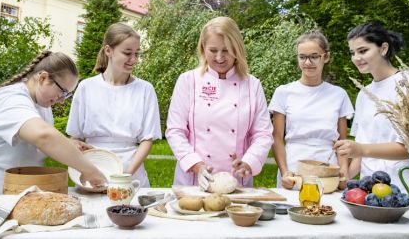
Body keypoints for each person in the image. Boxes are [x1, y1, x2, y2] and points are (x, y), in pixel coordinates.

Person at [0, 51, 107, 212]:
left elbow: (36, 141)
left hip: (11, 195)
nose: (62, 100)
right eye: (62, 91)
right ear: (42, 78)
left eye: (67, 95)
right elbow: (44, 136)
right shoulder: (10, 98)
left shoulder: (41, 105)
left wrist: (68, 144)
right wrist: (90, 170)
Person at [166, 16, 273, 190]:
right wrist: (197, 165)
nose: (220, 57)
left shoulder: (252, 85)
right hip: (194, 182)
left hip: (238, 181)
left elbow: (263, 134)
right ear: (203, 49)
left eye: (226, 50)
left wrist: (249, 162)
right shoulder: (188, 81)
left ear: (237, 49)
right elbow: (175, 130)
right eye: (213, 50)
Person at [66, 23, 161, 187]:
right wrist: (80, 157)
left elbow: (147, 140)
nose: (134, 59)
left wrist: (125, 176)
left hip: (131, 172)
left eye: (136, 53)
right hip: (93, 169)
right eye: (127, 53)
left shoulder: (145, 89)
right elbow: (75, 136)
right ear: (108, 51)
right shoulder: (86, 87)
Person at [268, 31, 354, 189]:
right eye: (302, 57)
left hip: (327, 170)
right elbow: (277, 138)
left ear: (325, 57)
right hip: (294, 171)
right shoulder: (283, 92)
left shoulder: (339, 94)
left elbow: (342, 141)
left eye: (314, 56)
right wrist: (285, 171)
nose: (308, 62)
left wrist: (344, 171)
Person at [334, 22, 409, 187]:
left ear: (383, 48)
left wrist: (361, 149)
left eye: (363, 51)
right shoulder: (364, 94)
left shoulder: (408, 84)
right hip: (369, 191)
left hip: (402, 188)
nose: (356, 58)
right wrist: (343, 177)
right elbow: (360, 152)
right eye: (353, 53)